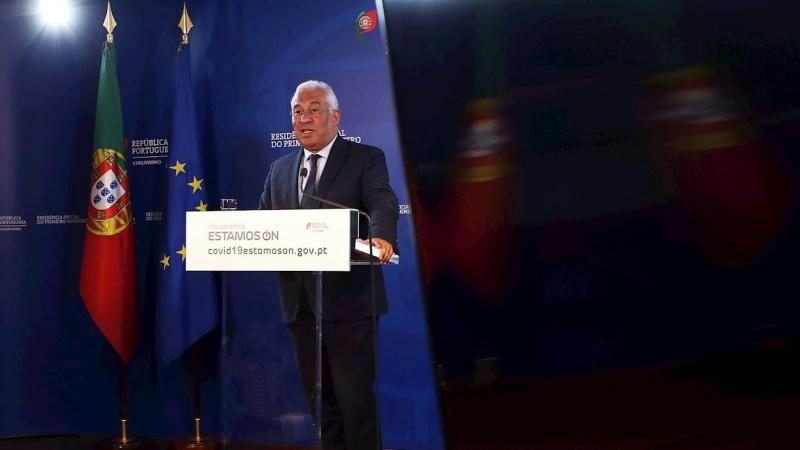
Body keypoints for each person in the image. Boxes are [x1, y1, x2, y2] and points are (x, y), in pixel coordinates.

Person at [259, 80, 399, 450]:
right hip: (301, 307)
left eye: (314, 109)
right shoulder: (280, 170)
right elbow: (262, 225)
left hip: (349, 306)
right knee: (321, 410)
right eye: (297, 111)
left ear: (335, 117)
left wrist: (382, 236)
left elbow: (381, 201)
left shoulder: (365, 158)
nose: (304, 118)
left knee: (356, 407)